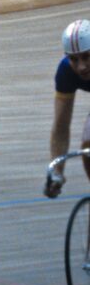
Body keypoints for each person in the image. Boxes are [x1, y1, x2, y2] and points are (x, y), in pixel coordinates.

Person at [45, 19, 90, 198]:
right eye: (74, 59)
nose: (81, 67)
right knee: (88, 144)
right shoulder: (66, 71)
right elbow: (61, 127)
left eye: (86, 56)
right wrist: (57, 172)